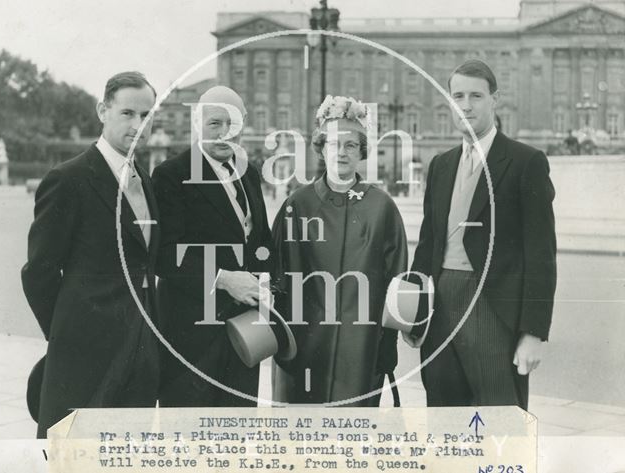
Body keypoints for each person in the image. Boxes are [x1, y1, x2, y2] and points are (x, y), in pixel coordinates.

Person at [409, 59, 557, 410]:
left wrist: (533, 332)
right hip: (442, 309)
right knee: (445, 424)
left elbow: (541, 255)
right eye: (457, 95)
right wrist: (415, 313)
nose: (466, 105)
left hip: (494, 313)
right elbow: (428, 244)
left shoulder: (525, 162)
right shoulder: (441, 165)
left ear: (495, 99)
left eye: (476, 95)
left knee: (501, 427)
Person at [21, 71, 161, 437]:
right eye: (128, 113)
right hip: (84, 354)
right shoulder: (68, 179)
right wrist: (70, 333)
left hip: (140, 351)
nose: (138, 124)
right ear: (103, 111)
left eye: (146, 116)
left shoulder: (144, 179)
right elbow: (38, 271)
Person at [271, 95, 408, 406]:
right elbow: (277, 279)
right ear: (322, 149)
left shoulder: (381, 207)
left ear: (362, 152)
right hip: (302, 344)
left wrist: (389, 342)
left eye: (351, 145)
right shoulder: (298, 204)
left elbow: (396, 283)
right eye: (334, 144)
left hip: (360, 348)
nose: (342, 152)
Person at [152, 86, 273, 407]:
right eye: (214, 124)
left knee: (237, 435)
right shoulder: (170, 175)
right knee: (188, 436)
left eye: (231, 124)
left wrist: (267, 283)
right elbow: (163, 255)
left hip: (245, 333)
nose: (223, 134)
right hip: (190, 335)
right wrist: (223, 278)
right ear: (197, 123)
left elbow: (262, 244)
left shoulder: (249, 175)